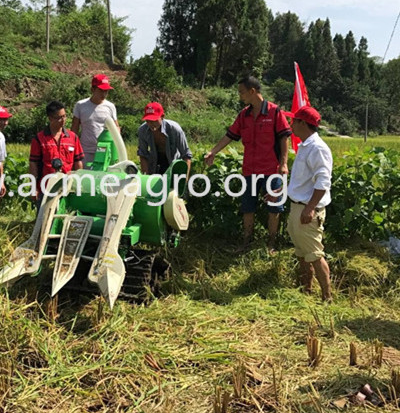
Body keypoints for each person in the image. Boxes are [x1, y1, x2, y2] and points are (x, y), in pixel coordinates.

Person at [204, 76, 291, 252]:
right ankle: (246, 243)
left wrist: (283, 163)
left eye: (242, 92)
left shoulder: (274, 112)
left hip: (271, 170)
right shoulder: (244, 115)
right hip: (250, 171)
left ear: (252, 91)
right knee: (247, 208)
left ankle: (271, 245)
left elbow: (284, 139)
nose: (240, 96)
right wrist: (213, 151)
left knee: (274, 208)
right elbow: (230, 135)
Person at [287, 106, 333, 301]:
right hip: (298, 206)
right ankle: (306, 288)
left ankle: (327, 297)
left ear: (303, 124)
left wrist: (310, 208)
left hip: (307, 210)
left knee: (314, 254)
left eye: (294, 121)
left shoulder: (317, 148)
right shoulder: (305, 145)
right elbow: (302, 180)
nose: (291, 124)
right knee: (302, 252)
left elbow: (323, 182)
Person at [29, 100, 84, 203]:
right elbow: (33, 164)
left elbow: (78, 162)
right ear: (50, 118)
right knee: (44, 218)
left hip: (68, 188)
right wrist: (33, 187)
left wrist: (78, 183)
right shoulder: (39, 139)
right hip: (46, 188)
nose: (63, 120)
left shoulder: (73, 138)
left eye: (64, 116)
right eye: (59, 117)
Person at [72, 74, 119, 165]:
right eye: (101, 90)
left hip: (105, 151)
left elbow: (116, 127)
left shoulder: (110, 106)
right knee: (86, 177)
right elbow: (74, 129)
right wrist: (74, 150)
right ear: (92, 89)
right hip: (86, 151)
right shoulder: (80, 105)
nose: (104, 94)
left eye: (106, 91)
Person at [137, 101, 192, 176]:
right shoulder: (143, 130)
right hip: (154, 166)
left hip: (173, 166)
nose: (151, 124)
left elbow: (186, 155)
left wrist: (184, 181)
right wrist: (146, 178)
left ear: (162, 116)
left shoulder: (175, 129)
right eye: (148, 121)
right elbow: (143, 154)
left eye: (154, 120)